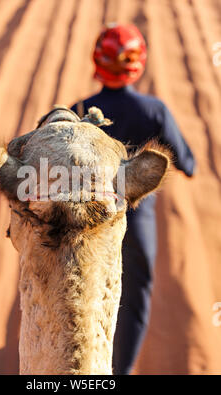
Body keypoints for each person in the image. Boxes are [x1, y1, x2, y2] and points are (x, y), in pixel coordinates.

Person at [71, 23, 196, 375]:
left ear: (97, 61)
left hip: (86, 223)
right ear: (138, 63)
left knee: (85, 294)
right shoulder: (154, 111)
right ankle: (120, 371)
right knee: (133, 298)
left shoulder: (79, 111)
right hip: (135, 224)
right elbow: (187, 164)